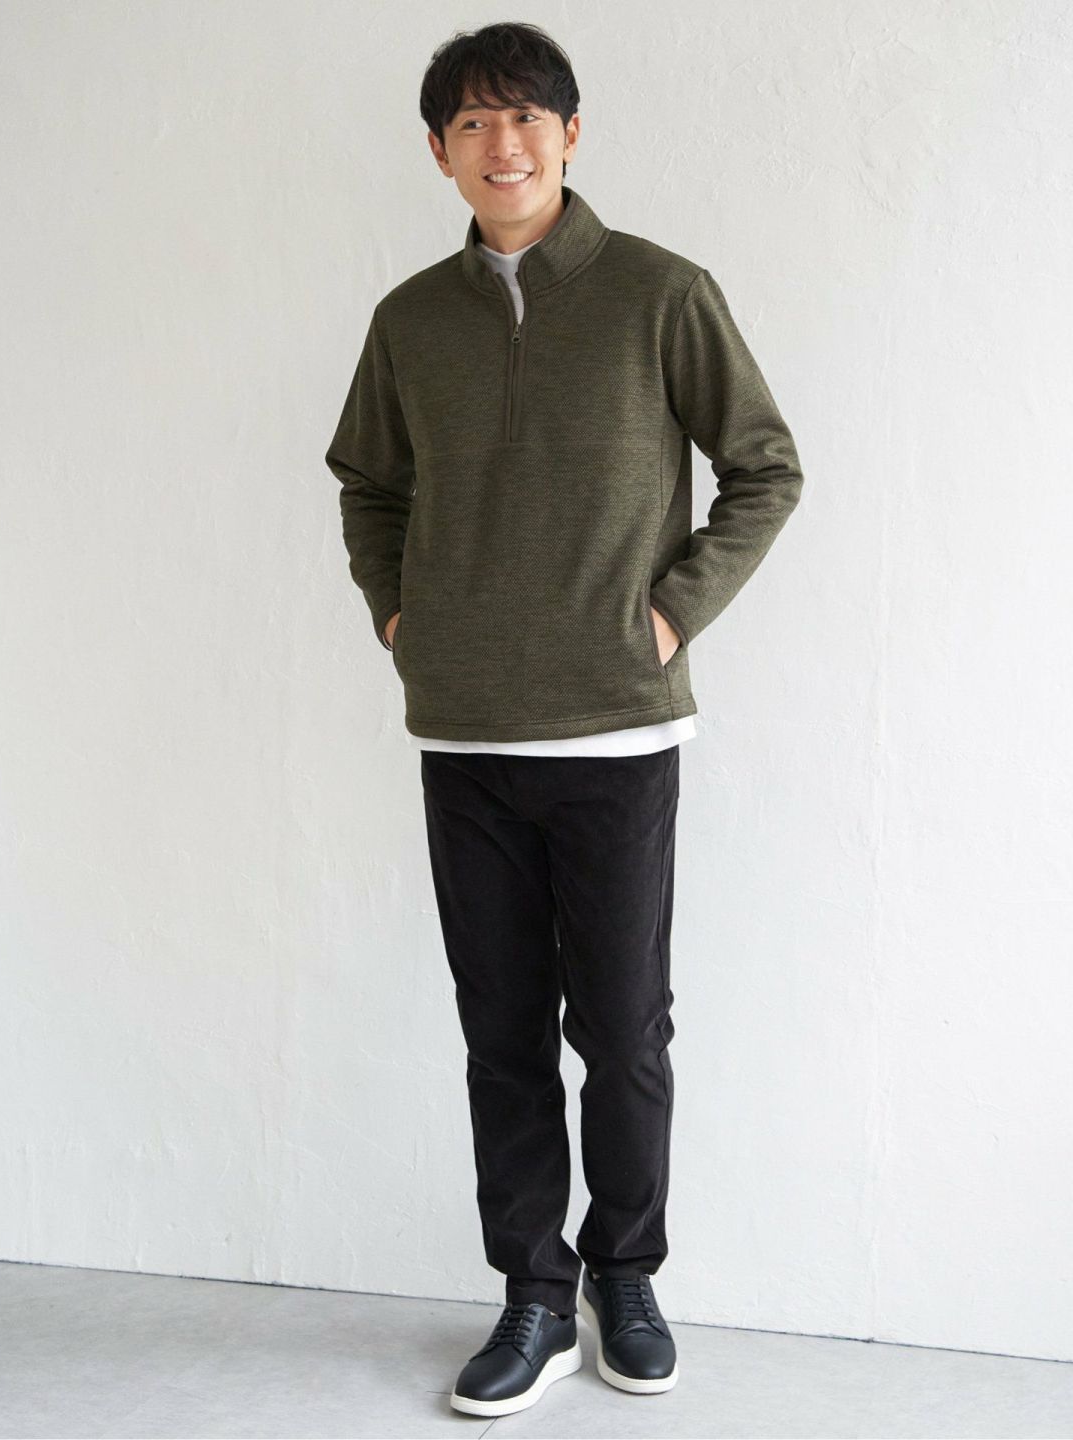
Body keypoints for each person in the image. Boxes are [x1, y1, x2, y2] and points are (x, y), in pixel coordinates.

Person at [324, 20, 805, 1419]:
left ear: (572, 133)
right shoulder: (411, 320)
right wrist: (399, 618)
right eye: (474, 123)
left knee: (626, 1030)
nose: (504, 143)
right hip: (466, 735)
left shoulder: (663, 293)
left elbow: (765, 468)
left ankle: (625, 1275)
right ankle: (533, 1292)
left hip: (616, 733)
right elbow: (368, 486)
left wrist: (669, 616)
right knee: (501, 1033)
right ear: (440, 151)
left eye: (527, 116)